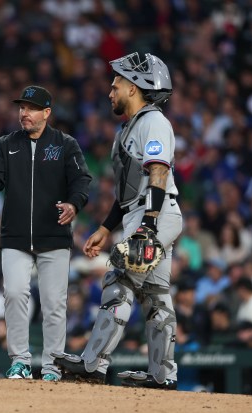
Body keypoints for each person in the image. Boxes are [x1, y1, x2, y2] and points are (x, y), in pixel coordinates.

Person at [53, 52, 182, 389]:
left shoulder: (153, 121)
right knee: (155, 295)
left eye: (116, 85)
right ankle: (162, 376)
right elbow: (128, 193)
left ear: (135, 87)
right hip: (142, 212)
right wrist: (105, 228)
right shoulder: (130, 128)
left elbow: (158, 172)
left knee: (118, 282)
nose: (110, 92)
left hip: (156, 212)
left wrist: (149, 226)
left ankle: (94, 363)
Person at [0, 85, 92, 382]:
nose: (24, 113)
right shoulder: (5, 144)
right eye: (21, 107)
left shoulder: (65, 144)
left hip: (53, 235)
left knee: (54, 302)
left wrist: (74, 204)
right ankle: (20, 361)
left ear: (46, 113)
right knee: (14, 294)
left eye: (30, 108)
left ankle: (52, 366)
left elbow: (81, 180)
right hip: (15, 236)